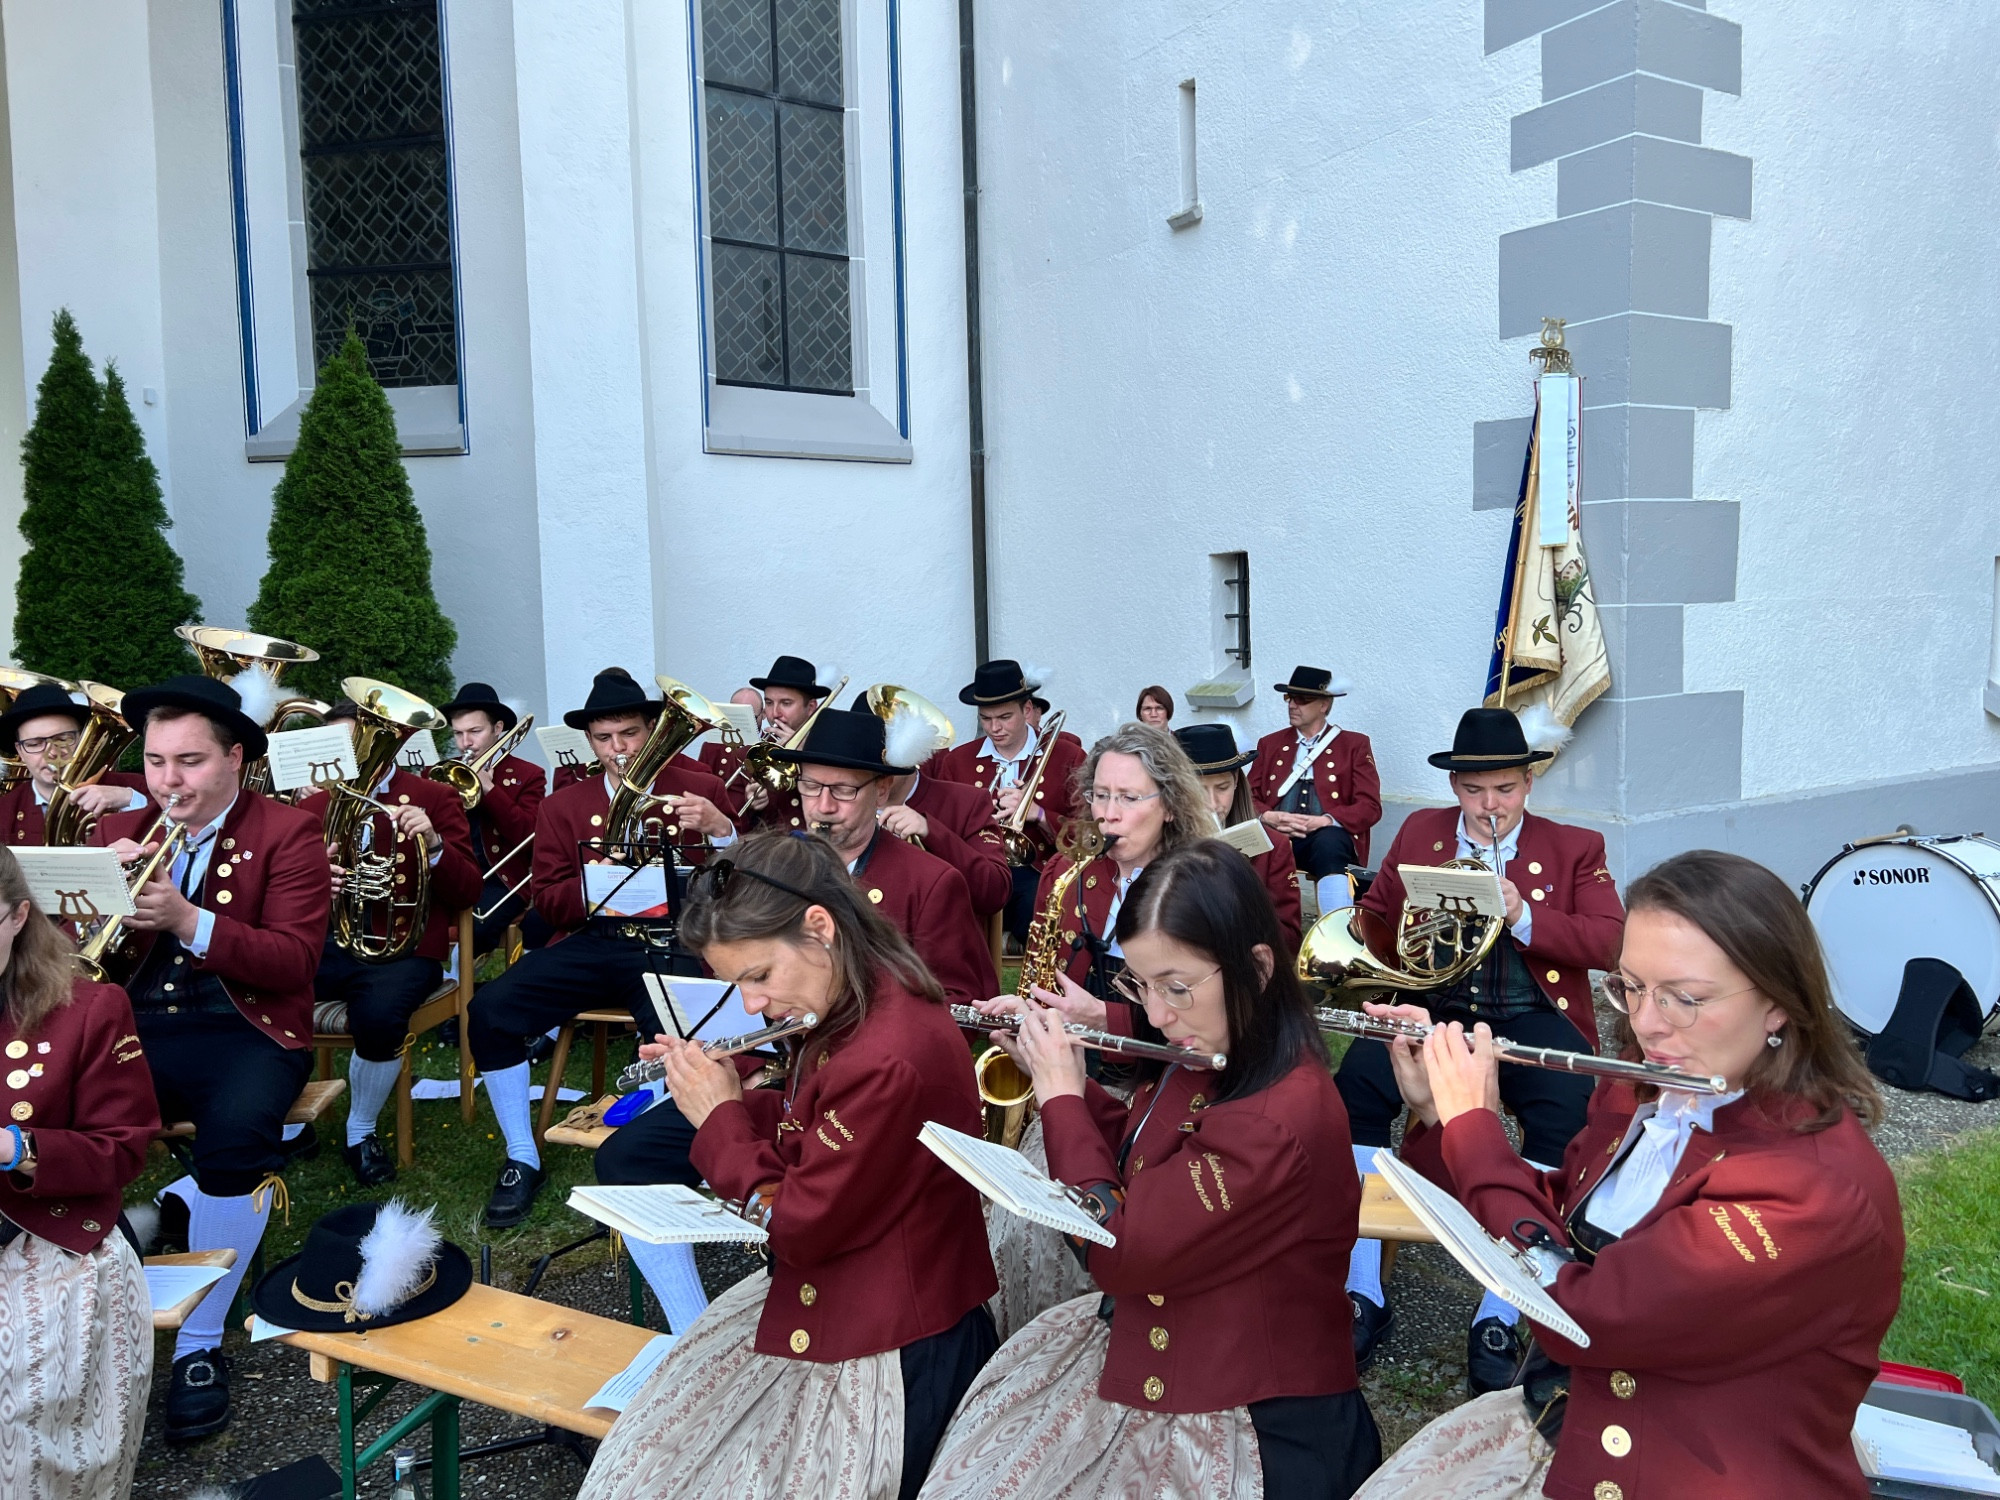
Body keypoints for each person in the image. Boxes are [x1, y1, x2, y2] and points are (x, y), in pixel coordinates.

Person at [1354, 850, 1903, 1500]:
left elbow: (1588, 1319)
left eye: (1686, 998)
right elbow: (1553, 1224)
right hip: (1569, 1417)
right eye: (1632, 987)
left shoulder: (1806, 1190)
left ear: (1779, 1004)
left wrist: (1476, 1131)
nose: (1646, 1023)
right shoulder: (1640, 1095)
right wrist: (1441, 1114)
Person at [923, 842, 1381, 1499]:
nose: (1158, 1016)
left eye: (1177, 987)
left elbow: (1119, 1252)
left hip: (1251, 1415)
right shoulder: (1219, 1044)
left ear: (1256, 967)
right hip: (1168, 1347)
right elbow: (1149, 1156)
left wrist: (1059, 1098)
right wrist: (1065, 1077)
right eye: (1140, 986)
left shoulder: (1276, 1114)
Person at [577, 832, 999, 1500]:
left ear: (820, 927)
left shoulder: (886, 1050)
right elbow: (817, 1121)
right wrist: (724, 1091)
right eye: (736, 984)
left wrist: (719, 1116)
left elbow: (798, 1225)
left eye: (758, 976)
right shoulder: (857, 994)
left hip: (896, 1346)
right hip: (857, 1305)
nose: (750, 1005)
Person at [594, 708, 997, 1334]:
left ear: (881, 790)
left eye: (842, 791)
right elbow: (786, 1008)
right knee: (627, 1154)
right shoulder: (772, 871)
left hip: (854, 1132)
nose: (823, 806)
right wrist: (723, 1072)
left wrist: (731, 1105)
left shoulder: (925, 882)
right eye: (811, 787)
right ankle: (686, 1319)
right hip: (797, 1090)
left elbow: (952, 1004)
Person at [1334, 707, 1623, 1391]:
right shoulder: (1421, 832)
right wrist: (1369, 955)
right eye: (1473, 790)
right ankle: (1362, 1289)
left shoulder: (1575, 846)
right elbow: (1379, 915)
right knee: (1357, 1089)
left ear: (1529, 783)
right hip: (1436, 1009)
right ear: (1454, 787)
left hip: (1531, 1016)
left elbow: (1609, 942)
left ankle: (1500, 1308)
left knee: (1564, 1115)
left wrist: (1522, 913)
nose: (1490, 805)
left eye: (1505, 789)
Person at [92, 675, 331, 1442]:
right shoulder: (124, 827)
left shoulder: (288, 833)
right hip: (137, 1025)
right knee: (60, 1117)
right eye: (156, 761)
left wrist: (188, 919)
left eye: (189, 761)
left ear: (235, 758)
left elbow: (294, 962)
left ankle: (199, 1343)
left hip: (248, 1028)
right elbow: (83, 962)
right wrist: (97, 903)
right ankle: (84, 1302)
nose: (169, 781)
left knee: (236, 1138)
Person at [468, 669, 738, 1228]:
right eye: (605, 738)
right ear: (590, 742)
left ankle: (658, 1157)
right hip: (597, 940)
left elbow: (741, 888)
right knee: (489, 1010)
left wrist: (722, 832)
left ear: (652, 731)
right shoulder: (564, 806)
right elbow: (548, 902)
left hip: (676, 941)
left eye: (630, 734)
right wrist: (599, 880)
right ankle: (521, 1154)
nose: (619, 749)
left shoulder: (701, 788)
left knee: (682, 1038)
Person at [0, 844, 160, 1497]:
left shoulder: (90, 1008)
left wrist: (15, 1149)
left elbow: (122, 1149)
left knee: (27, 1421)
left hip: (46, 1237)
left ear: (18, 916)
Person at [296, 699, 483, 1186]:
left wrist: (435, 845)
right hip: (329, 945)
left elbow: (468, 891)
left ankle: (359, 1130)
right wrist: (314, 881)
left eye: (362, 742)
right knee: (257, 991)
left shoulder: (434, 797)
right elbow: (285, 899)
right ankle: (287, 1120)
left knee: (378, 1018)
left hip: (403, 950)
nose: (354, 755)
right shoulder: (313, 805)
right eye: (342, 745)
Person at [1016, 722, 1216, 1009]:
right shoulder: (1064, 870)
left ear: (1171, 805)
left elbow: (1208, 1012)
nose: (1109, 814)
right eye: (1100, 795)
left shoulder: (1202, 884)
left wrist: (1107, 1018)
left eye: (1129, 798)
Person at [932, 660, 1086, 944]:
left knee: (1038, 905)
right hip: (978, 868)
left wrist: (1039, 813)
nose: (994, 728)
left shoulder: (1067, 757)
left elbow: (1088, 836)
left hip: (1039, 870)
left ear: (1027, 710)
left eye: (1004, 717)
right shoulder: (958, 762)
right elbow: (944, 829)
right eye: (986, 718)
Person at [1249, 666, 1381, 914]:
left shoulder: (1354, 744)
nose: (1292, 705)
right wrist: (1267, 816)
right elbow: (1247, 796)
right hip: (1276, 833)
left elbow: (1370, 807)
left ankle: (1336, 924)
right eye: (1289, 698)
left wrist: (1326, 821)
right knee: (1253, 844)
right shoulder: (1270, 743)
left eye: (1302, 699)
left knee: (1330, 843)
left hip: (1324, 839)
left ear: (1324, 704)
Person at [872, 699, 1011, 921]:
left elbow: (995, 892)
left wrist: (931, 832)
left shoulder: (966, 802)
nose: (871, 773)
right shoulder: (840, 804)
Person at [1175, 721, 1302, 950]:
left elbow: (1290, 940)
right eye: (1199, 790)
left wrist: (1242, 905)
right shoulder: (1160, 841)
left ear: (1236, 781)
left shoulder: (1274, 846)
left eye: (1222, 787)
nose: (1212, 804)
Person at [440, 681, 547, 951]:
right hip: (450, 874)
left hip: (500, 881)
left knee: (476, 927)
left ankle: (459, 974)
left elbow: (530, 837)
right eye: (458, 733)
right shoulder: (442, 772)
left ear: (498, 728)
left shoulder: (527, 774)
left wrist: (490, 789)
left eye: (475, 731)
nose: (466, 742)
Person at [0, 681, 147, 845]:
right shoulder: (4, 811)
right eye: (34, 744)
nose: (52, 753)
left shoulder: (138, 787)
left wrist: (130, 799)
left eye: (63, 739)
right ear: (20, 752)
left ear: (82, 739)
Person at [736, 655, 833, 832]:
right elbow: (737, 829)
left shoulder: (830, 751)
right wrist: (753, 807)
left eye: (786, 703)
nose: (775, 713)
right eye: (769, 703)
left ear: (811, 707)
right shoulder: (748, 755)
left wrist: (805, 756)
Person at [697, 686, 766, 785]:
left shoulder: (774, 744)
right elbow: (701, 785)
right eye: (736, 716)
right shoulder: (712, 747)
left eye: (752, 717)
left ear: (763, 714)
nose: (743, 723)